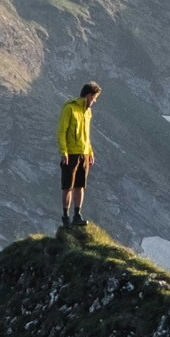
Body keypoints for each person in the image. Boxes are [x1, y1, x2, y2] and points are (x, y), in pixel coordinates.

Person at [58, 81, 101, 228]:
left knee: (80, 186)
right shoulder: (69, 109)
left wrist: (90, 152)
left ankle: (77, 215)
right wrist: (64, 152)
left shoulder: (87, 112)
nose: (94, 101)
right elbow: (61, 132)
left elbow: (87, 135)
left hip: (84, 153)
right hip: (70, 154)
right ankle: (65, 217)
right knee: (67, 186)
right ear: (89, 96)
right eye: (94, 98)